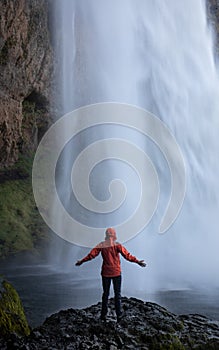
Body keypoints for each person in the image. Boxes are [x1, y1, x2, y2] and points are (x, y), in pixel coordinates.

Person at [75, 227, 146, 322]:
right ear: (114, 235)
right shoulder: (117, 245)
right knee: (118, 294)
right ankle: (119, 316)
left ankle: (103, 315)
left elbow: (91, 255)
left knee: (105, 294)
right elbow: (127, 256)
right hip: (116, 272)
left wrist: (82, 261)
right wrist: (137, 262)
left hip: (105, 273)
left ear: (106, 235)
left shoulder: (101, 245)